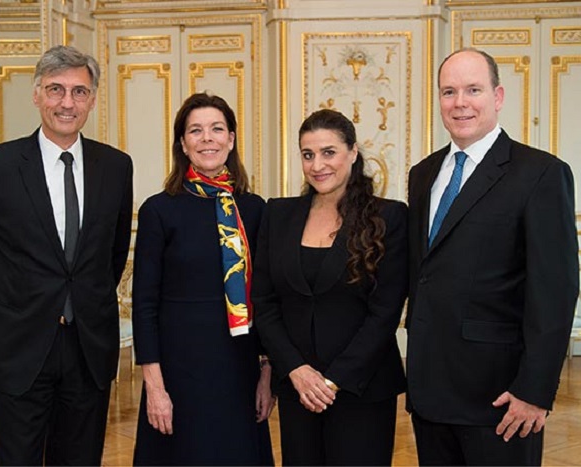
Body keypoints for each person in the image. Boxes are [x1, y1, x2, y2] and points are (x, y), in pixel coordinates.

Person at [0, 45, 133, 465]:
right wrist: (14, 306)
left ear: (92, 99)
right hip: (18, 349)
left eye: (79, 91)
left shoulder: (116, 167)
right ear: (36, 94)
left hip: (88, 349)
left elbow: (111, 255)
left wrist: (79, 303)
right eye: (56, 89)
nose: (67, 102)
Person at [406, 48, 578, 466]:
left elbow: (554, 292)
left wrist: (534, 391)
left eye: (473, 89)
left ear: (498, 96)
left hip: (502, 399)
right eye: (449, 91)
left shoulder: (539, 173)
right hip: (430, 391)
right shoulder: (423, 174)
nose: (459, 102)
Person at [253, 109, 408, 465]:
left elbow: (384, 313)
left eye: (329, 152)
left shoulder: (389, 217)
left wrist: (332, 381)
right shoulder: (277, 214)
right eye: (308, 154)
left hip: (361, 388)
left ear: (352, 153)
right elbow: (264, 300)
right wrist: (294, 369)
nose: (317, 164)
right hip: (297, 388)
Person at [132, 92, 274, 466]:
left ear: (231, 139)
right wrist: (155, 389)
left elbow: (269, 297)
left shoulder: (255, 209)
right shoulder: (158, 210)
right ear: (183, 143)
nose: (207, 138)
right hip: (179, 374)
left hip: (238, 369)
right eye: (195, 130)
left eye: (216, 129)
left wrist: (267, 374)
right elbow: (144, 304)